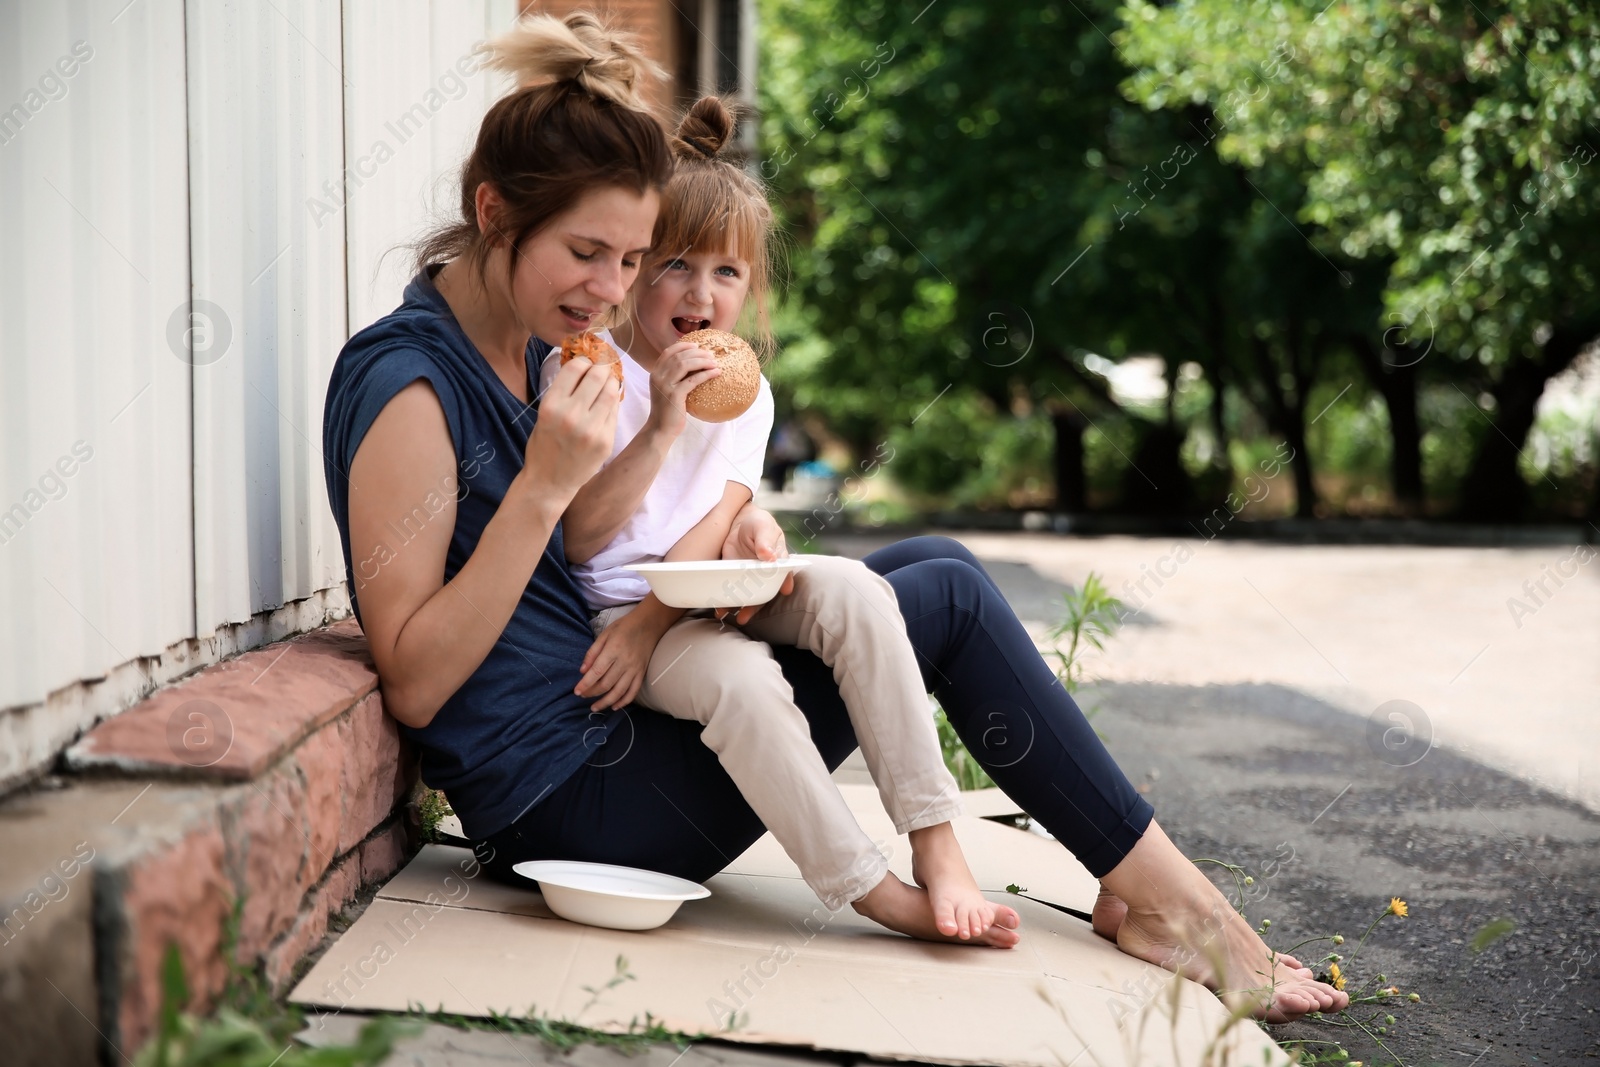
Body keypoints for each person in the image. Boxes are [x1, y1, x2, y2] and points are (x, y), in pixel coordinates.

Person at [320, 9, 1347, 1021]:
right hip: (577, 802)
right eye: (587, 252)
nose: (609, 289)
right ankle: (1176, 903)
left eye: (632, 259)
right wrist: (545, 486)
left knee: (927, 564)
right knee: (940, 592)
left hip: (622, 724)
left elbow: (644, 518)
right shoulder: (413, 384)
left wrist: (736, 529)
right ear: (494, 212)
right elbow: (412, 678)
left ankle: (1145, 889)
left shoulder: (544, 344)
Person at [534, 94, 999, 944]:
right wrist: (663, 430)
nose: (700, 293)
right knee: (745, 683)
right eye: (675, 264)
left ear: (752, 289)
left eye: (727, 273)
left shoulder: (748, 394)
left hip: (695, 592)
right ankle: (862, 884)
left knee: (858, 588)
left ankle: (936, 839)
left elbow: (727, 510)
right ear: (634, 269)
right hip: (619, 612)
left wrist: (752, 535)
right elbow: (578, 536)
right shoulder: (594, 374)